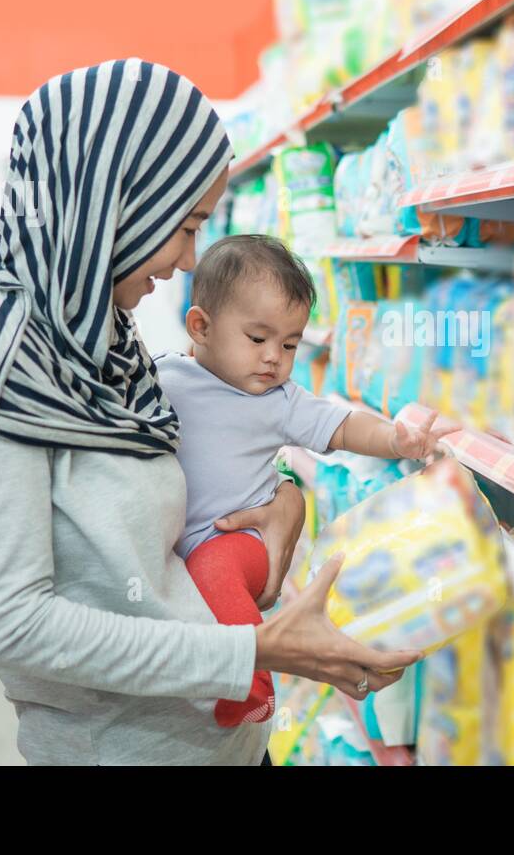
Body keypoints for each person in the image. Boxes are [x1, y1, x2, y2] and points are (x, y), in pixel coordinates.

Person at [0, 58, 419, 765]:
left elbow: (176, 504)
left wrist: (284, 506)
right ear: (111, 201)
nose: (187, 259)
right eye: (185, 225)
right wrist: (251, 649)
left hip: (223, 741)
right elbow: (14, 625)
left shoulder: (98, 332)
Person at [155, 234, 449, 727]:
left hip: (237, 539)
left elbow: (341, 425)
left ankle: (253, 689)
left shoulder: (279, 400)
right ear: (201, 327)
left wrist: (396, 440)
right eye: (258, 339)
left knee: (214, 576)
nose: (274, 357)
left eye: (289, 344)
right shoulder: (163, 376)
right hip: (178, 547)